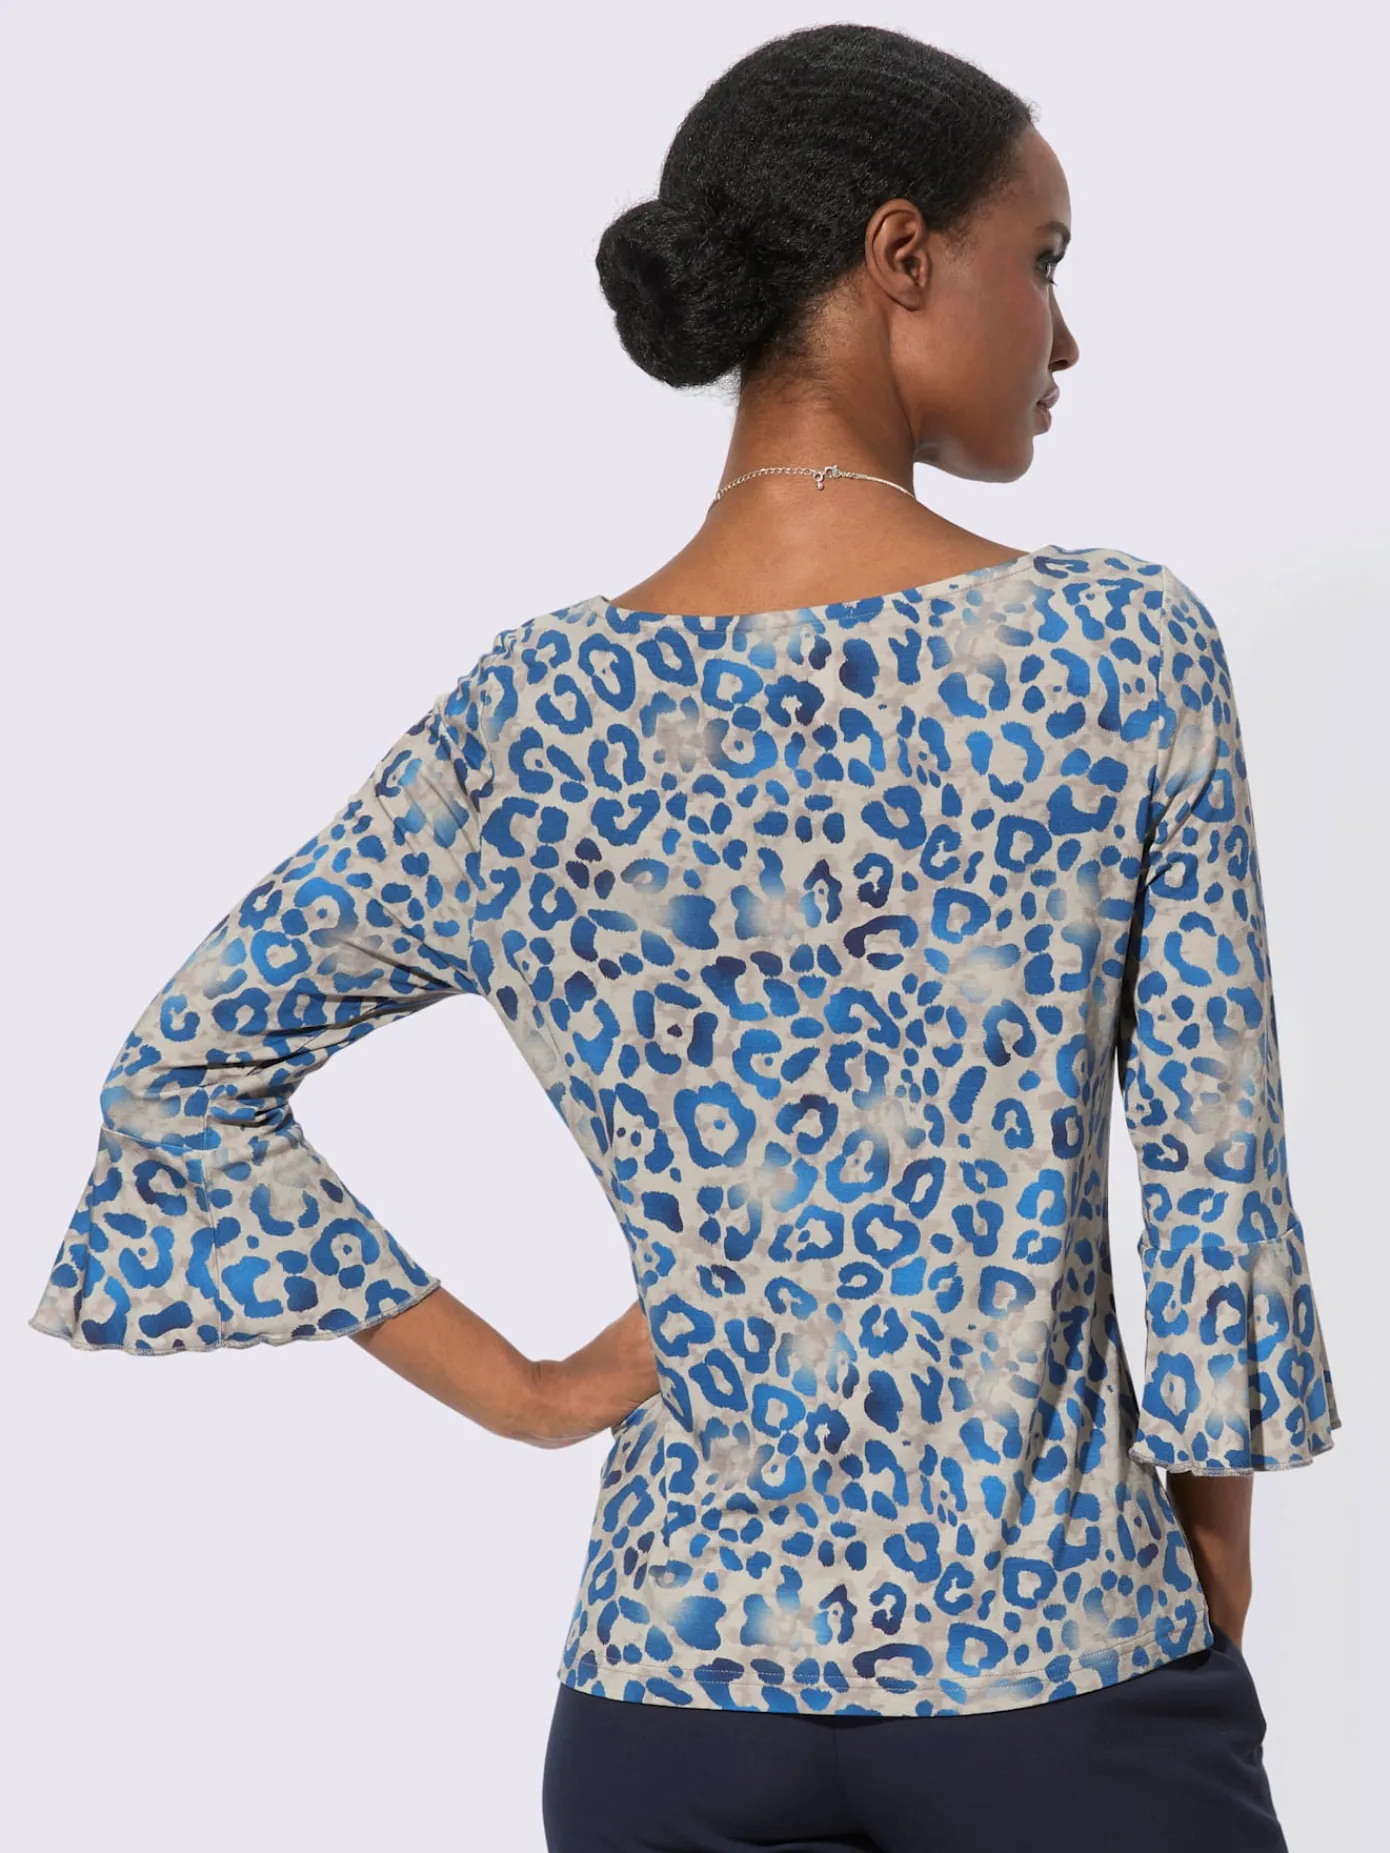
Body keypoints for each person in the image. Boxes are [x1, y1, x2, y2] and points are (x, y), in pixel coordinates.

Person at [29, 22, 1339, 1853]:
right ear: (901, 257)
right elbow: (1211, 1157)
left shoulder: (531, 716)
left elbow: (183, 1081)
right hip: (1050, 1667)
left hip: (663, 1701)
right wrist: (1205, 1552)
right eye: (1043, 262)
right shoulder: (1112, 651)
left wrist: (538, 1397)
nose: (1065, 338)